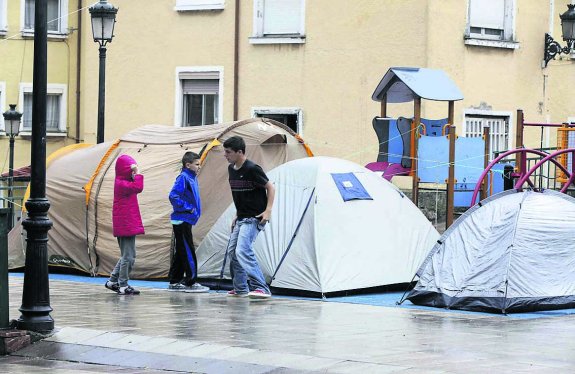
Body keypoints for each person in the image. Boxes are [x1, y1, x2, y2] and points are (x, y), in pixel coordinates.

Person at [223, 136, 275, 299]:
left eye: (228, 152)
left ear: (240, 152)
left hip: (254, 217)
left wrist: (268, 210)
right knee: (233, 252)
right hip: (242, 217)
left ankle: (261, 287)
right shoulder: (231, 169)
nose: (226, 155)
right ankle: (240, 288)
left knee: (243, 249)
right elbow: (240, 194)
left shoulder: (252, 168)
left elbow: (270, 187)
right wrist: (236, 215)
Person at [167, 152, 209, 293]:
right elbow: (173, 196)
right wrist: (188, 208)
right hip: (182, 219)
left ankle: (174, 280)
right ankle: (191, 281)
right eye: (197, 164)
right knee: (188, 250)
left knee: (181, 250)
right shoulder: (183, 178)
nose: (199, 166)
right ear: (188, 165)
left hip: (187, 220)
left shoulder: (192, 178)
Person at [105, 154, 144, 295]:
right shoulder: (121, 184)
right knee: (129, 256)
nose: (134, 173)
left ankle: (112, 281)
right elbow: (138, 187)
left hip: (127, 223)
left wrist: (134, 174)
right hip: (126, 224)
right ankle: (123, 285)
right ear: (125, 170)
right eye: (131, 170)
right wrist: (138, 174)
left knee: (126, 255)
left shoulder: (123, 182)